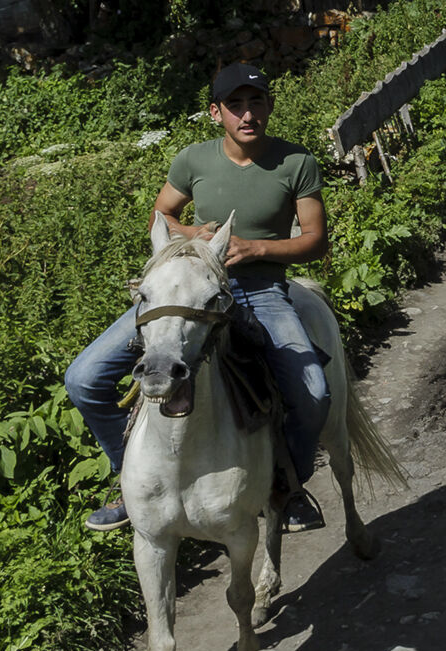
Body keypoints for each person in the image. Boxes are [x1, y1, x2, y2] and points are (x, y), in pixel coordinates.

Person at [64, 63, 330, 535]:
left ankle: (288, 487)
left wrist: (257, 248)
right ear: (216, 112)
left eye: (256, 103)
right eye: (235, 106)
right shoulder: (193, 160)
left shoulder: (296, 162)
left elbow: (315, 241)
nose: (247, 115)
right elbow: (161, 216)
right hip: (190, 290)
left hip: (262, 290)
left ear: (269, 106)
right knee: (84, 379)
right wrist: (193, 234)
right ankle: (128, 480)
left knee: (312, 393)